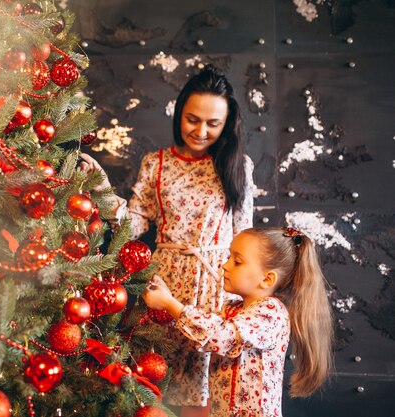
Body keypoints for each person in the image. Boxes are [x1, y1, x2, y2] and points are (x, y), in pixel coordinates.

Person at [81, 65, 254, 416]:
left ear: (226, 124)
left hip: (217, 289)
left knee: (209, 395)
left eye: (212, 123)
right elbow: (134, 223)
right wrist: (103, 194)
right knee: (160, 386)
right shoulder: (156, 163)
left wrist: (246, 301)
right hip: (165, 285)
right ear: (179, 114)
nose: (201, 131)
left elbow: (245, 236)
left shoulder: (238, 165)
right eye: (193, 119)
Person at [142, 227, 334, 417]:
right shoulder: (232, 309)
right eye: (228, 258)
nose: (225, 265)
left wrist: (171, 304)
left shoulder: (270, 313)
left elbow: (220, 337)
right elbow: (199, 341)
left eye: (237, 262)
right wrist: (164, 312)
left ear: (267, 279)